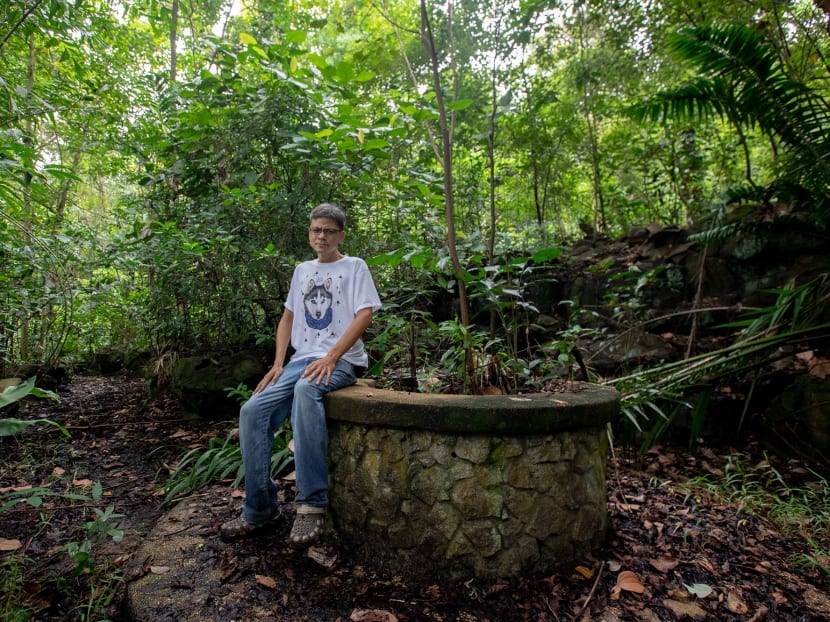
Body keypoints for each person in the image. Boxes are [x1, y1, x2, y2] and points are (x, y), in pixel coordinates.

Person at [220, 203, 381, 548]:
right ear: (309, 234)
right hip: (300, 360)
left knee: (307, 390)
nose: (321, 236)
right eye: (316, 230)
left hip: (342, 360)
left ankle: (312, 503)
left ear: (341, 235)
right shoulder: (302, 271)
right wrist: (278, 363)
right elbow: (288, 318)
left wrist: (332, 356)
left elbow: (365, 314)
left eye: (329, 231)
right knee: (252, 410)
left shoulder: (354, 266)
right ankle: (260, 508)